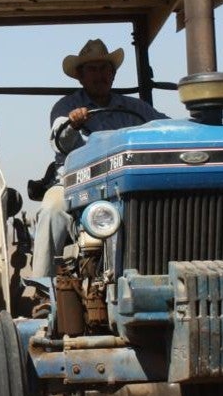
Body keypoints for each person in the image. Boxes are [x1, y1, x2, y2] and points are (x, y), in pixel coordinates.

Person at [32, 39, 168, 278]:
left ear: (113, 75)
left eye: (104, 69)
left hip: (126, 185)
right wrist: (72, 125)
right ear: (80, 77)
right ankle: (43, 290)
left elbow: (165, 127)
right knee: (52, 210)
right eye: (92, 69)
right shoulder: (66, 107)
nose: (99, 75)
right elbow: (60, 141)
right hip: (76, 183)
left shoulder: (136, 108)